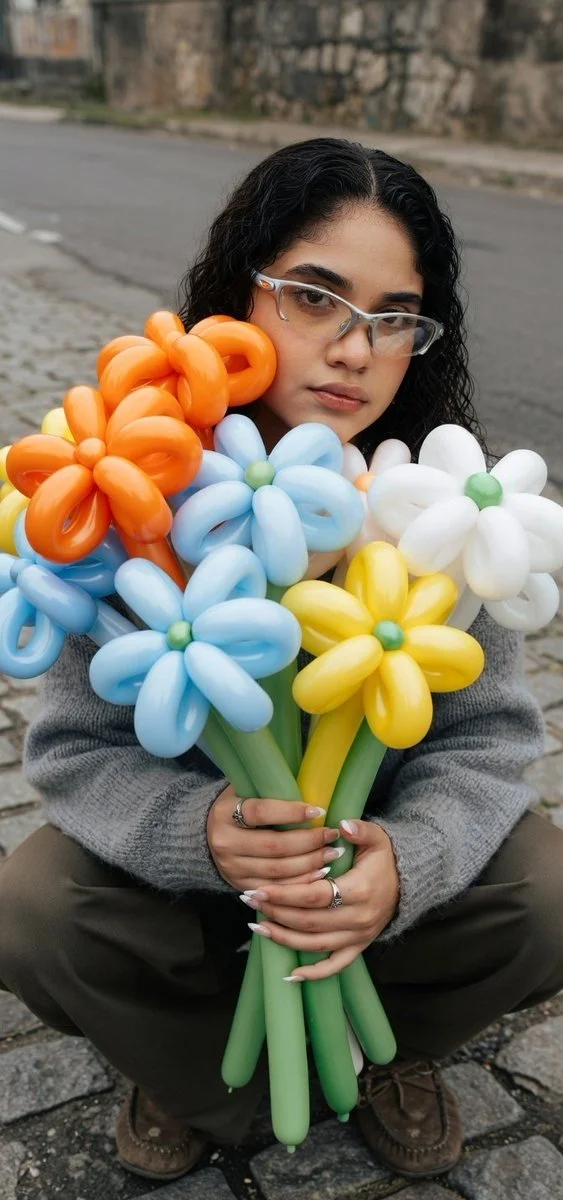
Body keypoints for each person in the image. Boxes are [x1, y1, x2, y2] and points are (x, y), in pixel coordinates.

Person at [1, 137, 562, 1185]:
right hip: (184, 901)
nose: (354, 349)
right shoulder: (136, 500)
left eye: (394, 316)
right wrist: (199, 835)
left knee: (545, 894)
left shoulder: (437, 517)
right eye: (314, 296)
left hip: (365, 895)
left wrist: (406, 863)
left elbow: (488, 741)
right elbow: (77, 751)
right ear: (238, 302)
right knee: (31, 908)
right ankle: (193, 1076)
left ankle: (382, 1049)